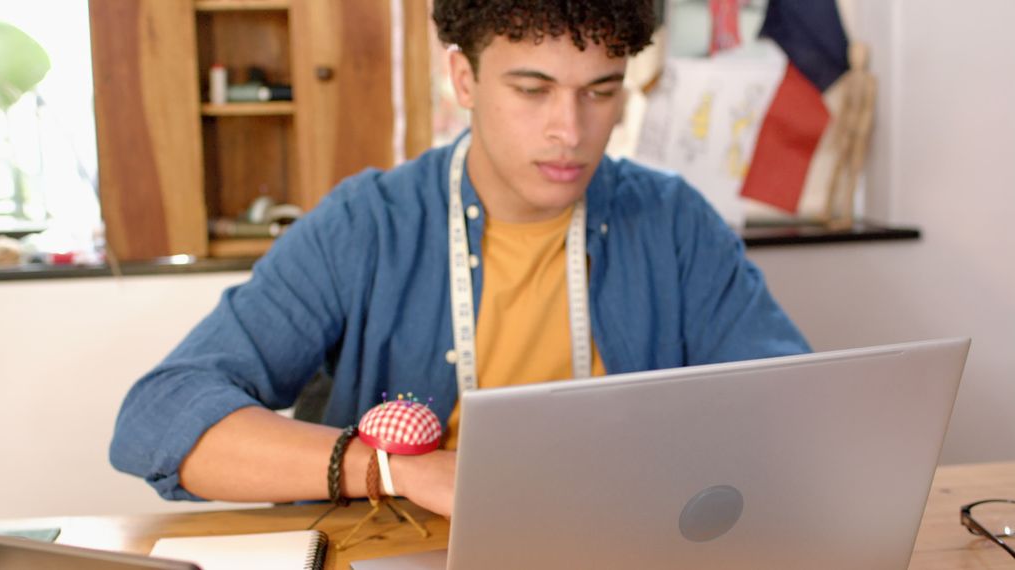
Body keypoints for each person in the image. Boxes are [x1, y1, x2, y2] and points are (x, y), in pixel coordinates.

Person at [110, 0, 810, 519]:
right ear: (464, 79)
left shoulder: (673, 222)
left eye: (600, 91)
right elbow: (159, 418)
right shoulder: (367, 226)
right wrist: (393, 471)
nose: (570, 130)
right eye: (532, 90)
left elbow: (795, 411)